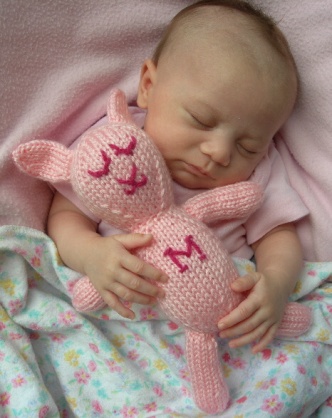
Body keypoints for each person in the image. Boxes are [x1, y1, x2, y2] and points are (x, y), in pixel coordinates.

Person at [47, 0, 309, 354]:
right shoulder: (121, 146)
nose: (219, 151)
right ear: (149, 86)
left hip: (223, 329)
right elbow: (66, 214)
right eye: (201, 119)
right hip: (120, 321)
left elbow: (279, 236)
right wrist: (91, 254)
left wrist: (275, 284)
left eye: (247, 145)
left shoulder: (259, 173)